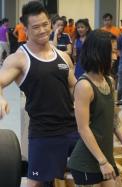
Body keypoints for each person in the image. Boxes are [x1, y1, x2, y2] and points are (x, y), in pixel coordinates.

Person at [0, 1, 78, 186]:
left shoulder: (63, 56)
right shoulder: (19, 58)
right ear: (25, 29)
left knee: (96, 172)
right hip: (44, 133)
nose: (42, 30)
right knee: (35, 183)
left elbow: (75, 87)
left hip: (72, 129)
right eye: (36, 27)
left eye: (45, 24)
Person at [68, 29, 122, 186]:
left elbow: (114, 119)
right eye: (111, 52)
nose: (115, 56)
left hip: (105, 157)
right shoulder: (84, 86)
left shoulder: (110, 81)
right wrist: (102, 161)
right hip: (86, 161)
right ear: (99, 54)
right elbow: (83, 129)